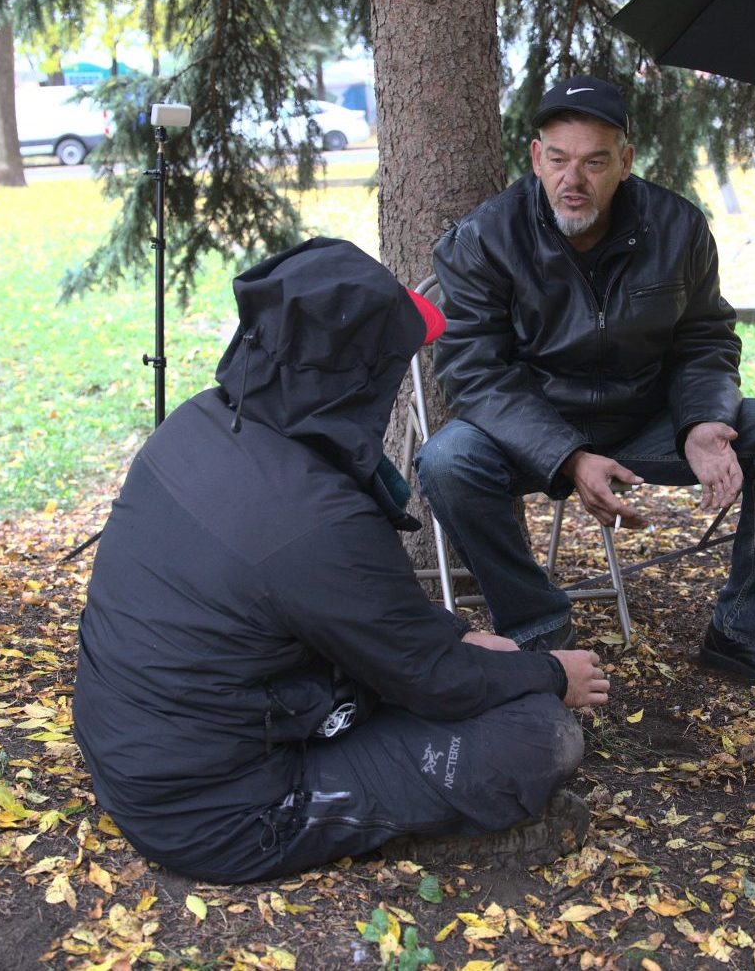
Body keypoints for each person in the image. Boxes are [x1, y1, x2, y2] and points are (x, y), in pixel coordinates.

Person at [73, 238, 610, 884]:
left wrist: (459, 639)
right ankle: (423, 825)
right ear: (362, 380)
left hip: (135, 759)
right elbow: (431, 678)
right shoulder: (317, 518)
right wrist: (550, 672)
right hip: (222, 816)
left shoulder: (201, 422)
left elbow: (357, 617)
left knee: (480, 682)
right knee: (536, 735)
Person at [416, 75, 755, 693]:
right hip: (534, 431)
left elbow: (705, 339)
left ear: (626, 162)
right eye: (557, 160)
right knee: (446, 460)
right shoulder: (484, 238)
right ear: (535, 157)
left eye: (594, 162)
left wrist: (704, 422)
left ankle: (747, 634)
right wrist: (569, 455)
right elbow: (475, 374)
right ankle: (539, 632)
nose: (572, 181)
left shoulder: (678, 226)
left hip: (646, 418)